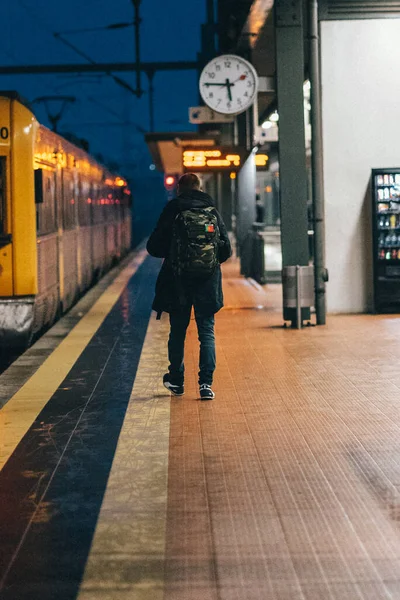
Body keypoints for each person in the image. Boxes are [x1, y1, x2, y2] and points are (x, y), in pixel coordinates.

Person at [146, 173, 232, 400]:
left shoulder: (173, 209)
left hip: (178, 282)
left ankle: (176, 380)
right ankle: (206, 385)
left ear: (179, 190)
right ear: (200, 187)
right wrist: (207, 263)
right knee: (207, 332)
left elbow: (153, 247)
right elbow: (226, 250)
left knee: (178, 331)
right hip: (207, 281)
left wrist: (176, 253)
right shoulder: (212, 210)